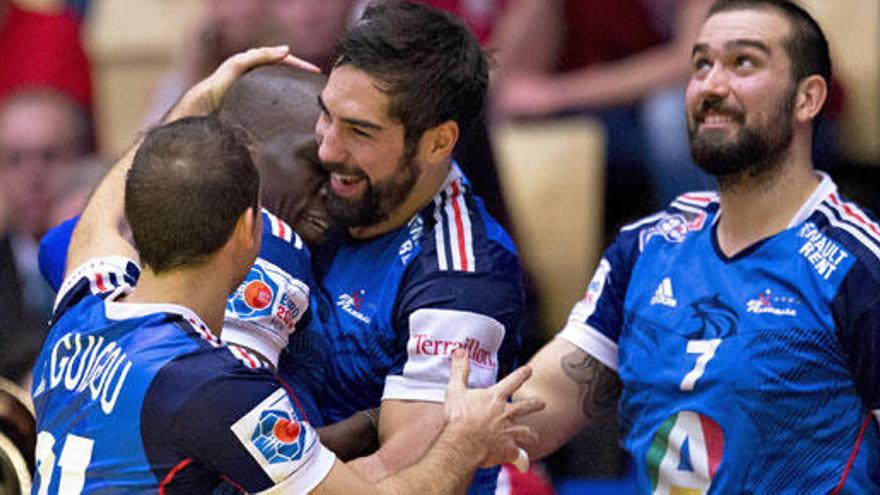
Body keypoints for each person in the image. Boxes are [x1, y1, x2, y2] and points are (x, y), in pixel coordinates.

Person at [30, 46, 541, 493]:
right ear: (249, 229)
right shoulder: (218, 388)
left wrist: (189, 108)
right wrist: (464, 442)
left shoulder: (83, 302)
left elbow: (96, 223)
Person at [512, 1, 880, 493]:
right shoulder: (645, 247)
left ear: (807, 99)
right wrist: (457, 430)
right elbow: (549, 395)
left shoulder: (857, 263)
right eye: (701, 64)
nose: (712, 85)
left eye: (743, 63)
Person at [311, 2, 525, 493]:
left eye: (360, 131)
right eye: (325, 116)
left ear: (436, 143)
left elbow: (404, 476)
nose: (326, 148)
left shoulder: (463, 279)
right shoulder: (312, 171)